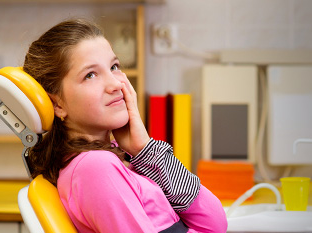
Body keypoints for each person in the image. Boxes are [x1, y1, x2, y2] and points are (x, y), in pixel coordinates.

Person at [23, 19, 227, 233]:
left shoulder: (115, 156)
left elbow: (215, 222)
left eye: (114, 67)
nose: (114, 84)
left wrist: (145, 151)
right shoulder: (96, 168)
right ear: (57, 103)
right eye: (90, 75)